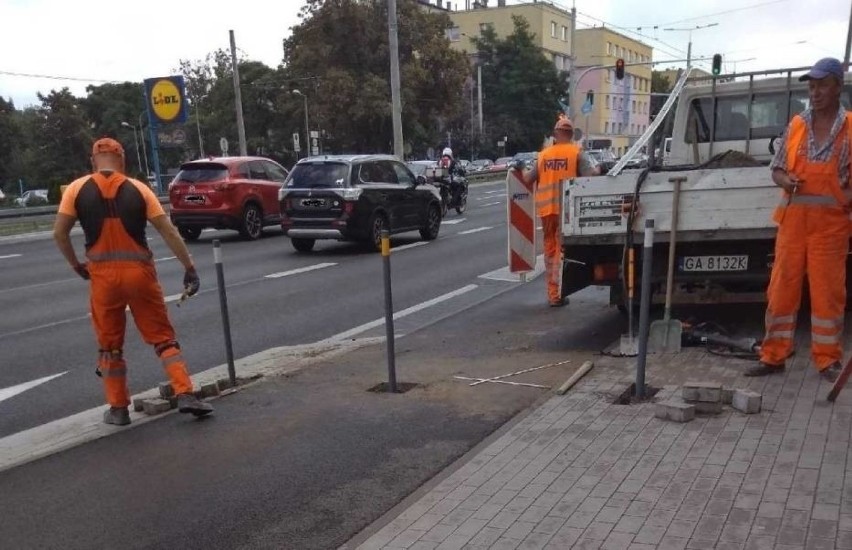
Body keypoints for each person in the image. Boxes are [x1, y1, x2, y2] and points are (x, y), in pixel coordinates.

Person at [54, 137, 213, 425]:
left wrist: (76, 264)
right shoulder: (139, 189)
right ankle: (186, 393)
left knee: (110, 345)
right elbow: (169, 232)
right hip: (140, 274)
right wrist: (189, 267)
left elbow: (60, 233)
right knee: (163, 338)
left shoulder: (76, 189)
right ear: (122, 160)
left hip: (102, 277)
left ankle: (118, 409)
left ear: (93, 160)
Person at [748, 57, 852, 380]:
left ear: (838, 86)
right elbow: (776, 170)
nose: (815, 91)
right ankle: (773, 356)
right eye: (811, 86)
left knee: (828, 294)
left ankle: (827, 359)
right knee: (781, 290)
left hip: (830, 227)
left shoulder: (850, 129)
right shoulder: (796, 125)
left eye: (822, 85)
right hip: (793, 225)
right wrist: (784, 180)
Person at [512, 117, 599, 307]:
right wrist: (601, 168)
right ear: (571, 134)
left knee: (551, 251)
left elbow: (528, 179)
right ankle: (559, 293)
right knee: (562, 251)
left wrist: (519, 168)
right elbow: (590, 177)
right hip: (567, 211)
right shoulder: (577, 153)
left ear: (556, 134)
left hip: (546, 211)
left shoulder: (544, 155)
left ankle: (553, 294)